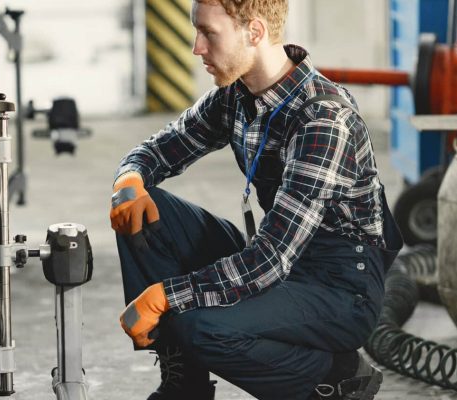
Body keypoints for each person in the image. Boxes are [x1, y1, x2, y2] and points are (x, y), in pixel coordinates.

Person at [111, 1, 403, 399]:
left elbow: (270, 259)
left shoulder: (323, 120)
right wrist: (130, 179)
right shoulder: (235, 95)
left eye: (209, 34)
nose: (197, 48)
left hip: (338, 289)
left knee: (201, 326)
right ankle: (187, 385)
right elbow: (159, 150)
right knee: (145, 210)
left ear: (255, 32)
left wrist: (165, 296)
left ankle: (335, 376)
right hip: (280, 260)